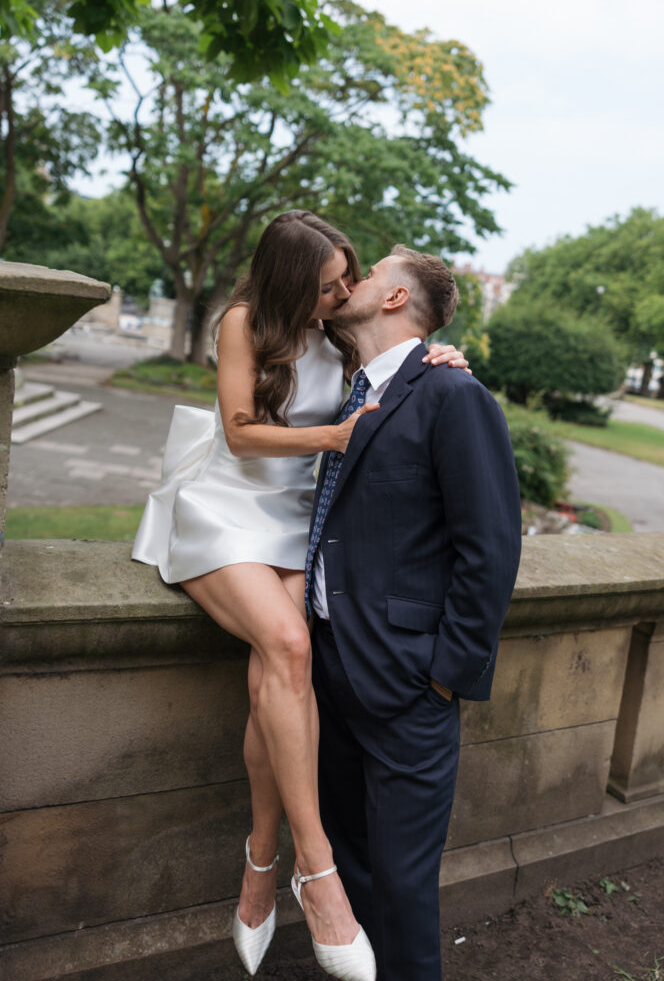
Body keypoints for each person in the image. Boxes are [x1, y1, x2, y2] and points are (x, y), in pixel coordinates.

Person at [132, 211, 468, 980]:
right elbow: (242, 430)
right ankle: (315, 874)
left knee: (273, 671)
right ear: (291, 281)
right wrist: (332, 437)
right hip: (225, 511)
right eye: (328, 283)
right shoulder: (245, 321)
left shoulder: (340, 329)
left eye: (349, 277)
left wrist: (440, 353)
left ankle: (258, 863)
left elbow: (395, 364)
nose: (345, 291)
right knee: (287, 644)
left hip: (292, 525)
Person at [306, 245, 522, 981]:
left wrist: (443, 677)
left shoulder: (454, 396)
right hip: (328, 669)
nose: (349, 284)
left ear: (396, 299)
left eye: (367, 276)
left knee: (401, 886)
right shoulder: (348, 387)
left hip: (406, 684)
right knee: (349, 863)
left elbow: (488, 548)